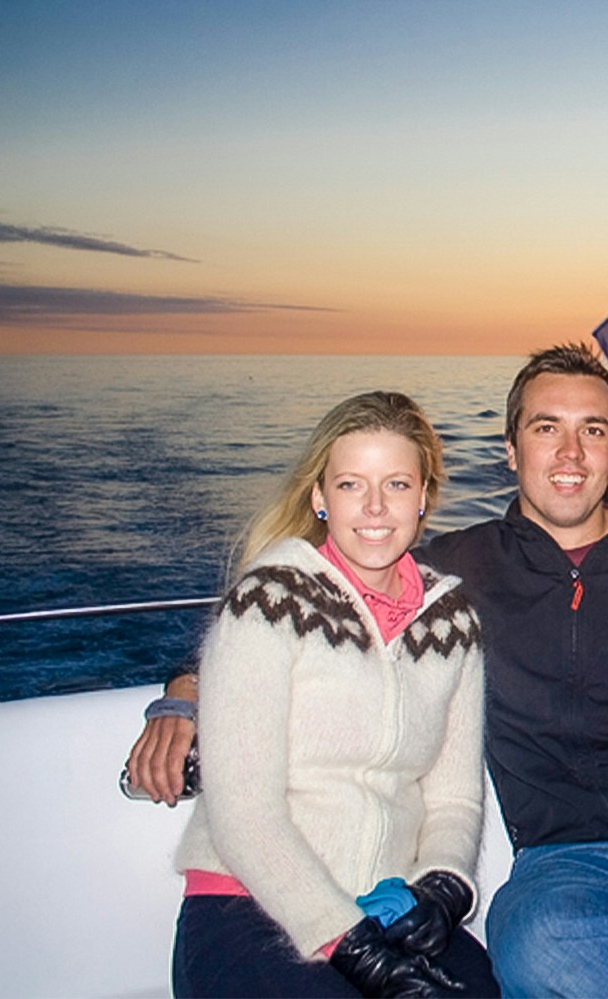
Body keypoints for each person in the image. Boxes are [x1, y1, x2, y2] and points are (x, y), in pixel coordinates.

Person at [129, 348, 608, 997]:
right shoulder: (458, 579)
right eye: (547, 428)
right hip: (569, 870)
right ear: (511, 448)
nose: (570, 454)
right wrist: (187, 688)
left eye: (593, 431)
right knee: (536, 948)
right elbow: (302, 598)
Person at [137, 391, 498, 998]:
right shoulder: (267, 603)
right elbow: (243, 813)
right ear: (320, 498)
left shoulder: (453, 622)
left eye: (398, 485)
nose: (376, 508)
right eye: (353, 485)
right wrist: (357, 952)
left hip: (386, 904)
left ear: (425, 498)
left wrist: (443, 888)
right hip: (251, 905)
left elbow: (454, 800)